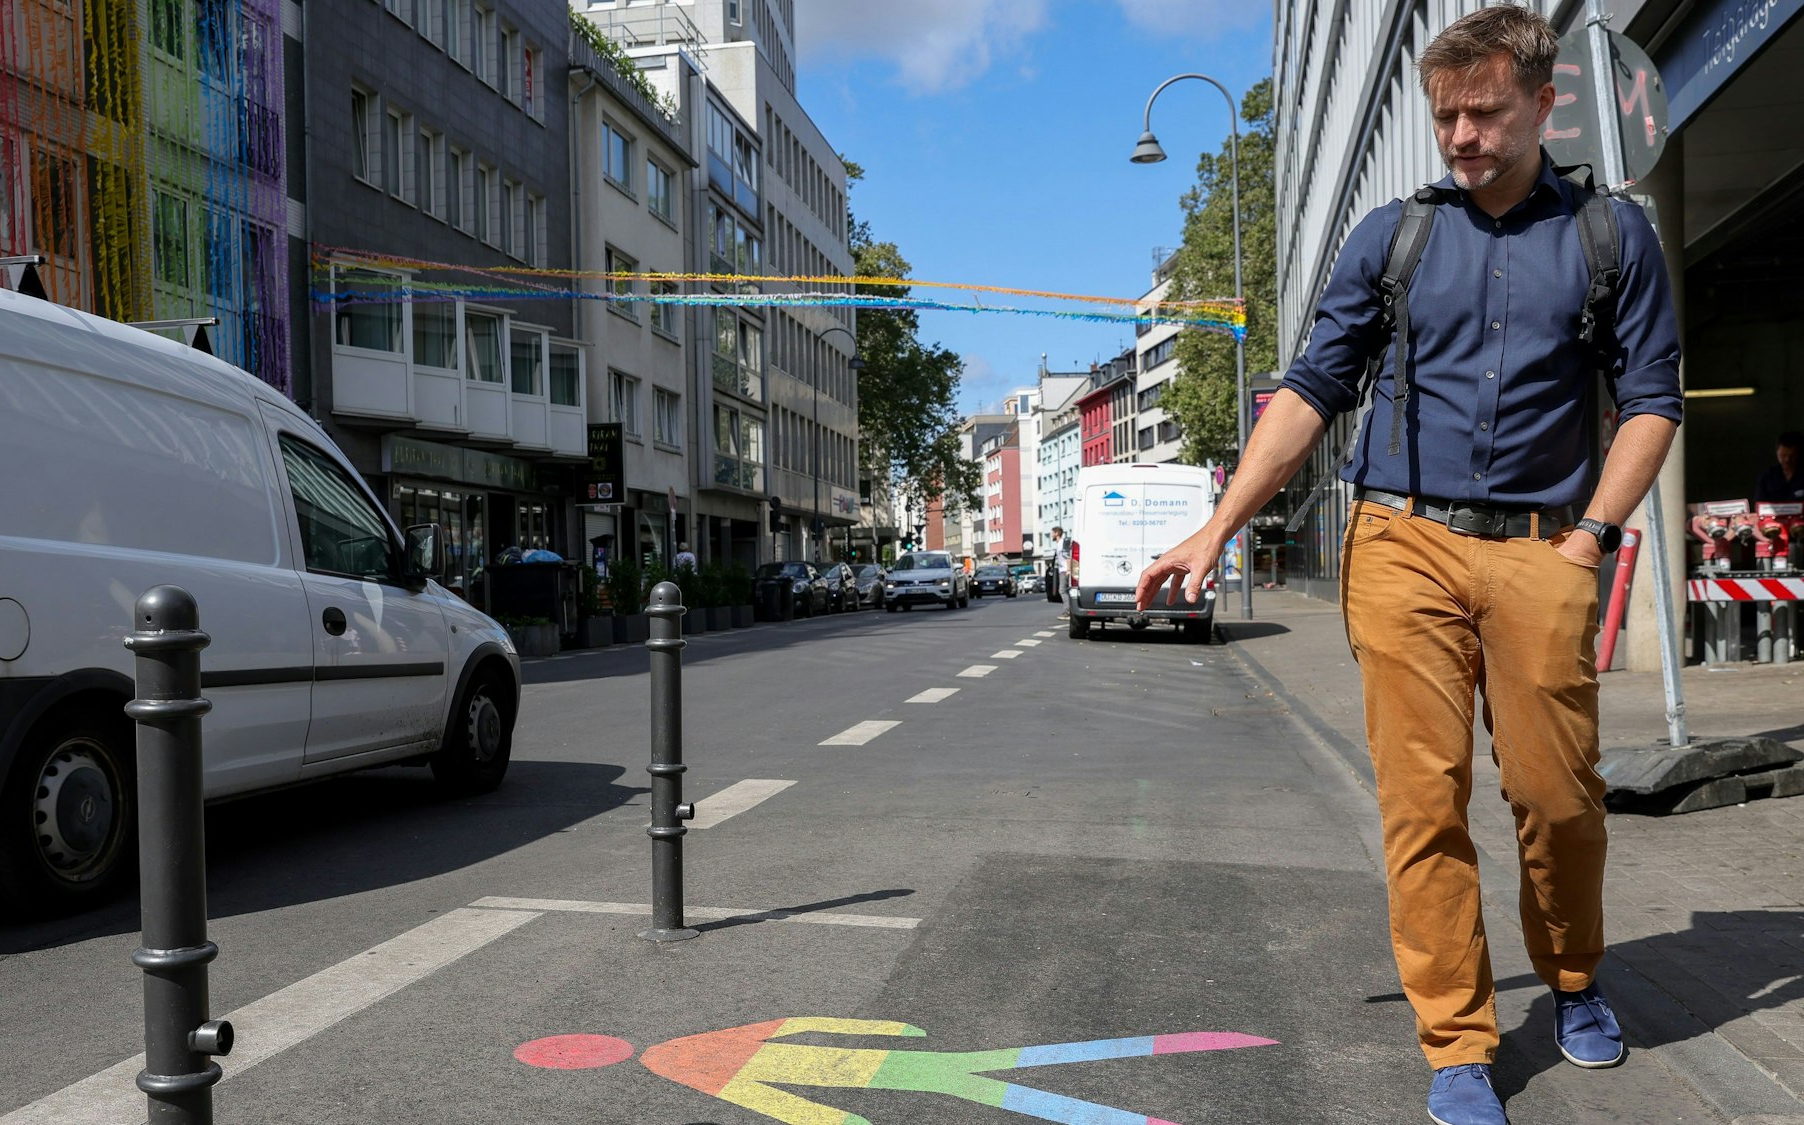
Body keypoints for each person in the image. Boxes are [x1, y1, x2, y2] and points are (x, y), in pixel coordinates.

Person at [1135, 7, 1681, 1123]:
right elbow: (1307, 390)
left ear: (1540, 103)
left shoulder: (1610, 238)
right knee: (1421, 802)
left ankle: (1573, 977)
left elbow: (1650, 403)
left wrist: (1592, 538)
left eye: (1484, 112)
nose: (1462, 136)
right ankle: (1456, 1042)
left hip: (1542, 545)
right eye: (1445, 116)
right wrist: (1217, 524)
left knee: (1555, 798)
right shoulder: (1394, 234)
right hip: (1400, 544)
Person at [514, 1019, 1277, 1124]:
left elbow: (770, 1093)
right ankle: (1196, 1042)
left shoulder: (687, 1062)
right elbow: (804, 1028)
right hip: (902, 1063)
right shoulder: (692, 1052)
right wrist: (888, 1028)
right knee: (1009, 1073)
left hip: (899, 1072)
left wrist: (845, 1120)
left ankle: (1146, 1105)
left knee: (1005, 1081)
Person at [1751, 431, 1804, 506]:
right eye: (1783, 455)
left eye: (1792, 456)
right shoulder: (1767, 476)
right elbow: (1759, 505)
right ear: (1777, 452)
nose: (1787, 460)